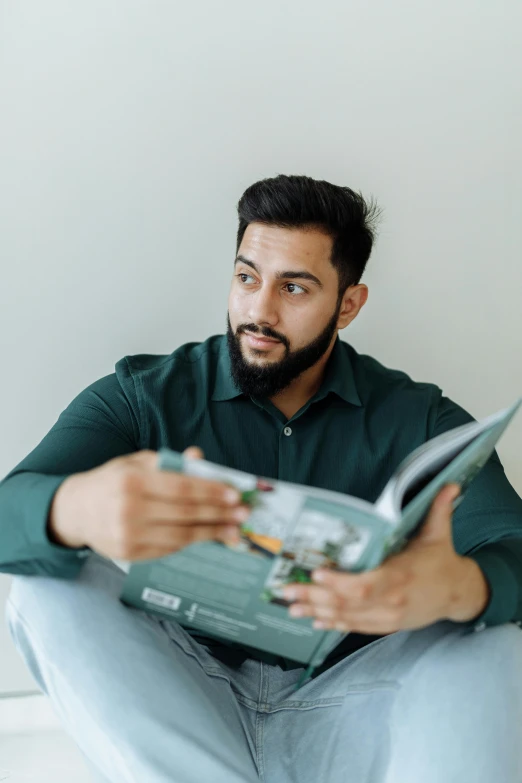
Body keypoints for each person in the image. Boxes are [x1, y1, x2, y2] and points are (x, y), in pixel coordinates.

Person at [2, 174, 522, 783]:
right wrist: (77, 509)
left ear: (347, 305)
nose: (259, 311)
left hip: (355, 698)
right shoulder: (143, 396)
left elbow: (510, 543)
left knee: (496, 643)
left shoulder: (422, 417)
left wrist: (457, 587)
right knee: (42, 588)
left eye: (294, 288)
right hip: (188, 693)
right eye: (247, 277)